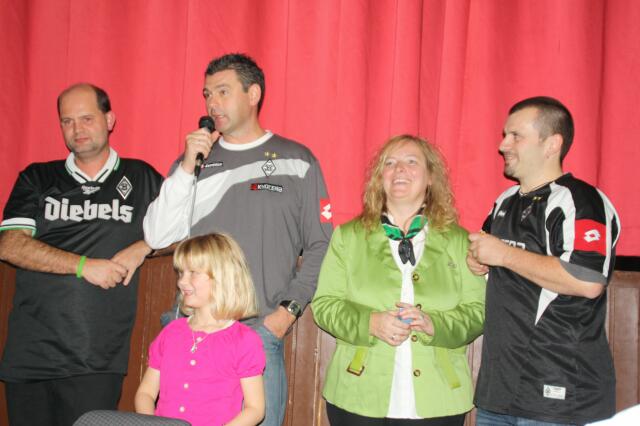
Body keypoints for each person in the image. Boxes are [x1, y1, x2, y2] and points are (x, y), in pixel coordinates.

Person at [143, 52, 333, 425]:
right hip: (191, 331)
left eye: (223, 91)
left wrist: (286, 314)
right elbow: (156, 235)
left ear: (253, 94)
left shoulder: (298, 161)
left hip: (258, 329)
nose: (212, 103)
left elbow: (321, 245)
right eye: (207, 94)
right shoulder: (193, 163)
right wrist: (186, 166)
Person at [0, 83, 163, 425]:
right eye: (67, 121)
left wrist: (145, 246)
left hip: (96, 359)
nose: (77, 129)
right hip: (30, 354)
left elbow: (187, 229)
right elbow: (10, 245)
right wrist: (83, 266)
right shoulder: (38, 177)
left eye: (87, 118)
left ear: (109, 120)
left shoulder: (140, 177)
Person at [312, 135, 486, 425]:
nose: (399, 169)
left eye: (411, 161)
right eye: (389, 163)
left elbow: (478, 311)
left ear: (431, 177)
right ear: (380, 178)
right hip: (357, 394)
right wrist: (370, 323)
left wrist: (434, 325)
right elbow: (324, 305)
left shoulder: (460, 242)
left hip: (439, 398)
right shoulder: (348, 237)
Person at [467, 96, 621, 425]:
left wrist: (502, 254)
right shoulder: (504, 201)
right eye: (504, 135)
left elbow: (588, 280)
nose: (503, 145)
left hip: (559, 398)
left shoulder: (580, 200)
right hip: (498, 394)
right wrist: (478, 261)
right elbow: (492, 258)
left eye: (515, 136)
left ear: (552, 144)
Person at [135, 233, 266, 426]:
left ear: (222, 277)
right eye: (181, 273)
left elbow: (255, 409)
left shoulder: (244, 340)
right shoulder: (171, 333)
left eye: (193, 272)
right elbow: (145, 393)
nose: (182, 282)